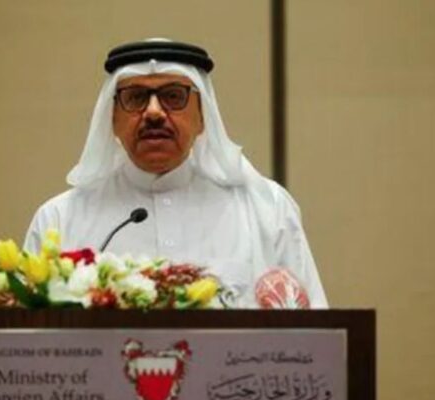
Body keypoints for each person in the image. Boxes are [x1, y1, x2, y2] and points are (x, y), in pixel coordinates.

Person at [23, 39, 328, 308]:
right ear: (112, 117)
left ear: (203, 115)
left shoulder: (267, 210)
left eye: (173, 96)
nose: (154, 112)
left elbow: (316, 336)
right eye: (135, 97)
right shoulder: (59, 220)